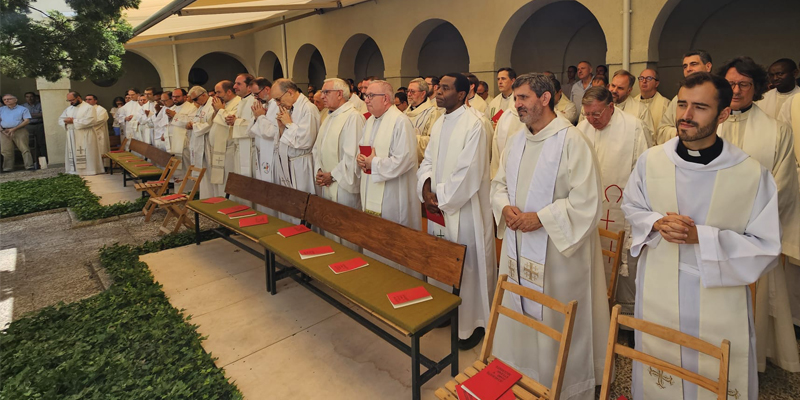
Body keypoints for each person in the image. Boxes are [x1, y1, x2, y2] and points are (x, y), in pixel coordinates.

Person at [622, 72, 782, 400]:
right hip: (658, 294)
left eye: (700, 107)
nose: (686, 115)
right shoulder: (651, 161)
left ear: (723, 114)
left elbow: (766, 247)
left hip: (718, 300)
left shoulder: (751, 174)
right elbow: (632, 205)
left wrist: (703, 238)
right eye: (682, 104)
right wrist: (654, 222)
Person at [491, 73, 609, 400]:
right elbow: (498, 184)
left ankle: (563, 382)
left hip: (557, 256)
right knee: (519, 308)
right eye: (515, 99)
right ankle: (520, 368)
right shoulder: (516, 140)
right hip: (517, 245)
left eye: (523, 98)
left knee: (556, 316)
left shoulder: (571, 141)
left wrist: (540, 218)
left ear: (545, 99)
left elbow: (586, 201)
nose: (517, 105)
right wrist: (504, 208)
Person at [716, 56, 800, 374]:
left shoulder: (776, 131)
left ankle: (751, 361)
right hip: (714, 234)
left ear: (758, 87)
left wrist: (750, 221)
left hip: (753, 235)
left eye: (744, 84)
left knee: (756, 302)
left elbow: (785, 186)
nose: (736, 90)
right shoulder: (710, 123)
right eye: (731, 83)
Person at [418, 72, 496, 350]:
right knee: (441, 258)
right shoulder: (440, 122)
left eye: (446, 88)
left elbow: (470, 172)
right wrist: (426, 188)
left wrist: (440, 198)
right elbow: (428, 160)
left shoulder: (476, 123)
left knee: (468, 264)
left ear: (462, 94)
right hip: (439, 204)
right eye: (438, 87)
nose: (438, 92)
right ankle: (445, 311)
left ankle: (471, 323)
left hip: (465, 209)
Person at [576, 86, 648, 317]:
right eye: (587, 113)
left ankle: (624, 319)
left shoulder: (634, 127)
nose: (591, 119)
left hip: (622, 210)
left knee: (624, 265)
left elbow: (644, 169)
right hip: (589, 209)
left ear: (610, 107)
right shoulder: (582, 127)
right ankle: (595, 314)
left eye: (596, 114)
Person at [357, 80, 421, 277]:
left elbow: (405, 159)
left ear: (385, 99)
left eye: (370, 96)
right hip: (371, 188)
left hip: (394, 194)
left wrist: (373, 163)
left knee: (394, 242)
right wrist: (360, 159)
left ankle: (400, 280)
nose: (365, 99)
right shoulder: (369, 121)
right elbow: (364, 148)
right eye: (365, 96)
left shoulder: (400, 121)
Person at [312, 78, 365, 250]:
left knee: (346, 232)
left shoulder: (353, 117)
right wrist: (320, 170)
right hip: (327, 182)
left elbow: (352, 156)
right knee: (331, 230)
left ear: (340, 94)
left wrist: (332, 176)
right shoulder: (328, 117)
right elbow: (317, 148)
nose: (321, 96)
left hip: (342, 185)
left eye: (326, 92)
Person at [271, 78, 320, 222]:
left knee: (304, 206)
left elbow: (306, 141)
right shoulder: (291, 108)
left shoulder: (308, 109)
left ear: (290, 92)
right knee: (291, 206)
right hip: (289, 164)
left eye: (278, 99)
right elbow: (285, 138)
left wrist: (289, 124)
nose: (278, 104)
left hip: (302, 165)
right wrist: (281, 127)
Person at [656, 50, 713, 145]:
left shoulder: (718, 94)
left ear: (708, 66)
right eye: (685, 66)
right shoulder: (678, 98)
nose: (688, 69)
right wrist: (678, 132)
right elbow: (662, 129)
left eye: (693, 64)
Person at [208, 80, 241, 196]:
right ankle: (219, 200)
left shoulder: (238, 103)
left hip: (229, 149)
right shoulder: (225, 104)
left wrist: (220, 110)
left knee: (227, 178)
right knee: (219, 179)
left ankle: (228, 203)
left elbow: (229, 121)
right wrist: (217, 110)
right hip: (218, 147)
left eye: (218, 92)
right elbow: (213, 122)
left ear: (229, 92)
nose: (216, 95)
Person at [247, 77, 279, 198]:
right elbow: (249, 132)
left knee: (272, 191)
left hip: (272, 155)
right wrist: (257, 117)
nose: (255, 97)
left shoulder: (277, 105)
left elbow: (271, 133)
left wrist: (260, 117)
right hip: (261, 154)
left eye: (256, 94)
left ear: (266, 89)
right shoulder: (263, 106)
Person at [59, 91, 103, 176]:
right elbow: (60, 119)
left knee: (86, 152)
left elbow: (91, 120)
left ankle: (89, 170)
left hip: (85, 134)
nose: (71, 102)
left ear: (78, 98)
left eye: (72, 100)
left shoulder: (89, 108)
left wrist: (73, 121)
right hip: (72, 135)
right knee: (74, 152)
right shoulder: (69, 109)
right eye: (69, 101)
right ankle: (74, 170)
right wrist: (65, 121)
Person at [609, 70, 655, 145]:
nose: (614, 90)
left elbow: (649, 140)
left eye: (620, 88)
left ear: (629, 90)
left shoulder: (641, 110)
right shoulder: (602, 106)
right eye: (613, 86)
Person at [185, 86, 215, 198]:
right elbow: (198, 121)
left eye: (195, 99)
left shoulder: (212, 106)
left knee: (209, 173)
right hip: (199, 143)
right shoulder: (202, 106)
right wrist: (191, 124)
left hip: (208, 144)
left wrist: (194, 125)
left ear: (203, 94)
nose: (194, 102)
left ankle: (211, 197)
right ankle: (205, 197)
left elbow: (210, 124)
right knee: (203, 174)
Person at [404, 78, 441, 163]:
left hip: (421, 165)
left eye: (412, 92)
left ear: (423, 93)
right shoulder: (404, 113)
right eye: (408, 91)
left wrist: (408, 138)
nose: (409, 94)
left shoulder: (433, 113)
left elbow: (433, 142)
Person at [167, 88, 196, 179]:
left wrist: (175, 116)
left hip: (185, 143)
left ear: (185, 96)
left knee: (186, 168)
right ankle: (178, 191)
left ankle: (188, 190)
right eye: (173, 96)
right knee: (177, 170)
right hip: (174, 142)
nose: (175, 98)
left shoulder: (192, 108)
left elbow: (191, 123)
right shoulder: (172, 108)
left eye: (177, 96)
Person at [0, 94, 33, 171]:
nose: (7, 101)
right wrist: (2, 130)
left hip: (19, 130)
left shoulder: (23, 109)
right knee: (6, 150)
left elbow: (26, 121)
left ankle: (29, 166)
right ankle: (8, 168)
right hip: (4, 131)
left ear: (15, 100)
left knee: (24, 148)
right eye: (4, 100)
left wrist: (14, 129)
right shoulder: (1, 109)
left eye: (9, 99)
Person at [22, 92, 46, 166]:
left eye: (31, 96)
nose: (29, 98)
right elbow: (21, 116)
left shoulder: (40, 105)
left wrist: (28, 115)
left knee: (41, 143)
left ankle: (44, 160)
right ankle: (34, 161)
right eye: (27, 97)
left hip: (39, 125)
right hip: (28, 126)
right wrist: (36, 115)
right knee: (30, 144)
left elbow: (43, 114)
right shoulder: (23, 106)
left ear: (35, 97)